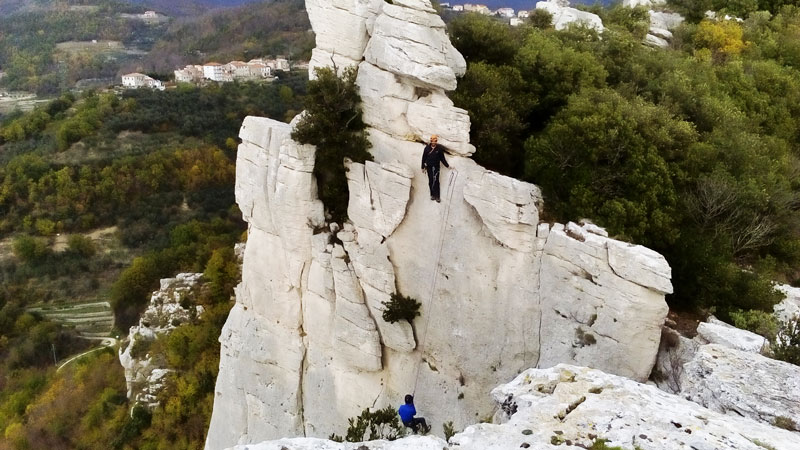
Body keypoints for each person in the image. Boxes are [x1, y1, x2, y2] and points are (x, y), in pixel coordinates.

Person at [421, 135, 449, 202]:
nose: (433, 142)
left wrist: (447, 166)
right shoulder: (427, 148)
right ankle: (432, 195)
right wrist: (422, 167)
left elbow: (442, 158)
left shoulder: (439, 149)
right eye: (432, 141)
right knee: (431, 180)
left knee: (436, 180)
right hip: (429, 166)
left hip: (436, 167)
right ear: (431, 141)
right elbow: (424, 158)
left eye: (435, 141)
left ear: (436, 141)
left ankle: (437, 196)